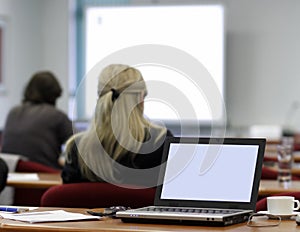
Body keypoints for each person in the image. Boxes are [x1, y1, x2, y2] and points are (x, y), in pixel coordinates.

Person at [62, 64, 173, 187]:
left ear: (100, 98)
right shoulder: (161, 141)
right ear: (140, 99)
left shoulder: (77, 148)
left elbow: (68, 200)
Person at [1, 71, 73, 169]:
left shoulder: (13, 112)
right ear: (53, 96)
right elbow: (81, 144)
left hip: (12, 174)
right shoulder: (57, 116)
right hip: (44, 174)